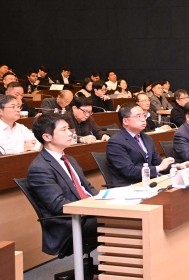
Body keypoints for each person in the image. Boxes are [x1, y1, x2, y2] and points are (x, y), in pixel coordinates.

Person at [27, 113, 99, 256]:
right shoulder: (40, 168)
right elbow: (59, 205)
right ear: (47, 137)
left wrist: (106, 201)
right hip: (69, 223)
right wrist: (94, 208)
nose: (70, 133)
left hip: (86, 214)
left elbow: (88, 189)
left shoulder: (69, 159)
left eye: (69, 129)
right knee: (123, 220)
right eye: (63, 130)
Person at [106, 103, 177, 187]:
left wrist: (176, 166)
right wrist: (158, 168)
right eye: (138, 116)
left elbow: (157, 162)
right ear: (125, 121)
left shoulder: (147, 138)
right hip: (129, 186)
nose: (143, 119)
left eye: (144, 115)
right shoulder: (116, 142)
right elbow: (129, 171)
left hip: (149, 182)